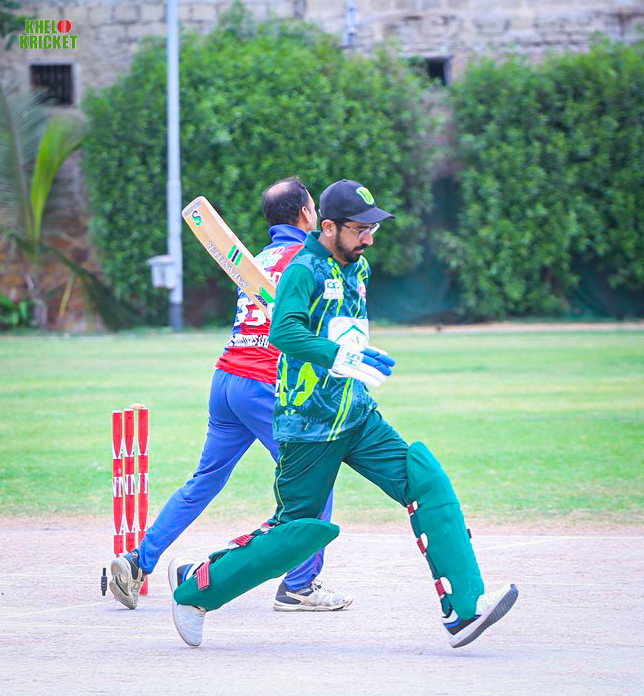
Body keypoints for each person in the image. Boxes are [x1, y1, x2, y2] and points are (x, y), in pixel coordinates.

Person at [168, 179, 518, 649]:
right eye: (360, 230)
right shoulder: (302, 269)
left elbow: (341, 326)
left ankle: (464, 609)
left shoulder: (358, 266)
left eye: (373, 229)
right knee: (296, 532)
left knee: (425, 479)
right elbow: (284, 333)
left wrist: (359, 357)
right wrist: (339, 356)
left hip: (356, 413)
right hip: (308, 423)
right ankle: (195, 590)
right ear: (328, 227)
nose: (368, 239)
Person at [109, 176, 353, 613]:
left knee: (205, 480)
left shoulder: (256, 259)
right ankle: (299, 586)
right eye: (313, 207)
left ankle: (138, 561)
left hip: (226, 381)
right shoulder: (309, 260)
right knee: (314, 480)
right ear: (306, 213)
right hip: (264, 385)